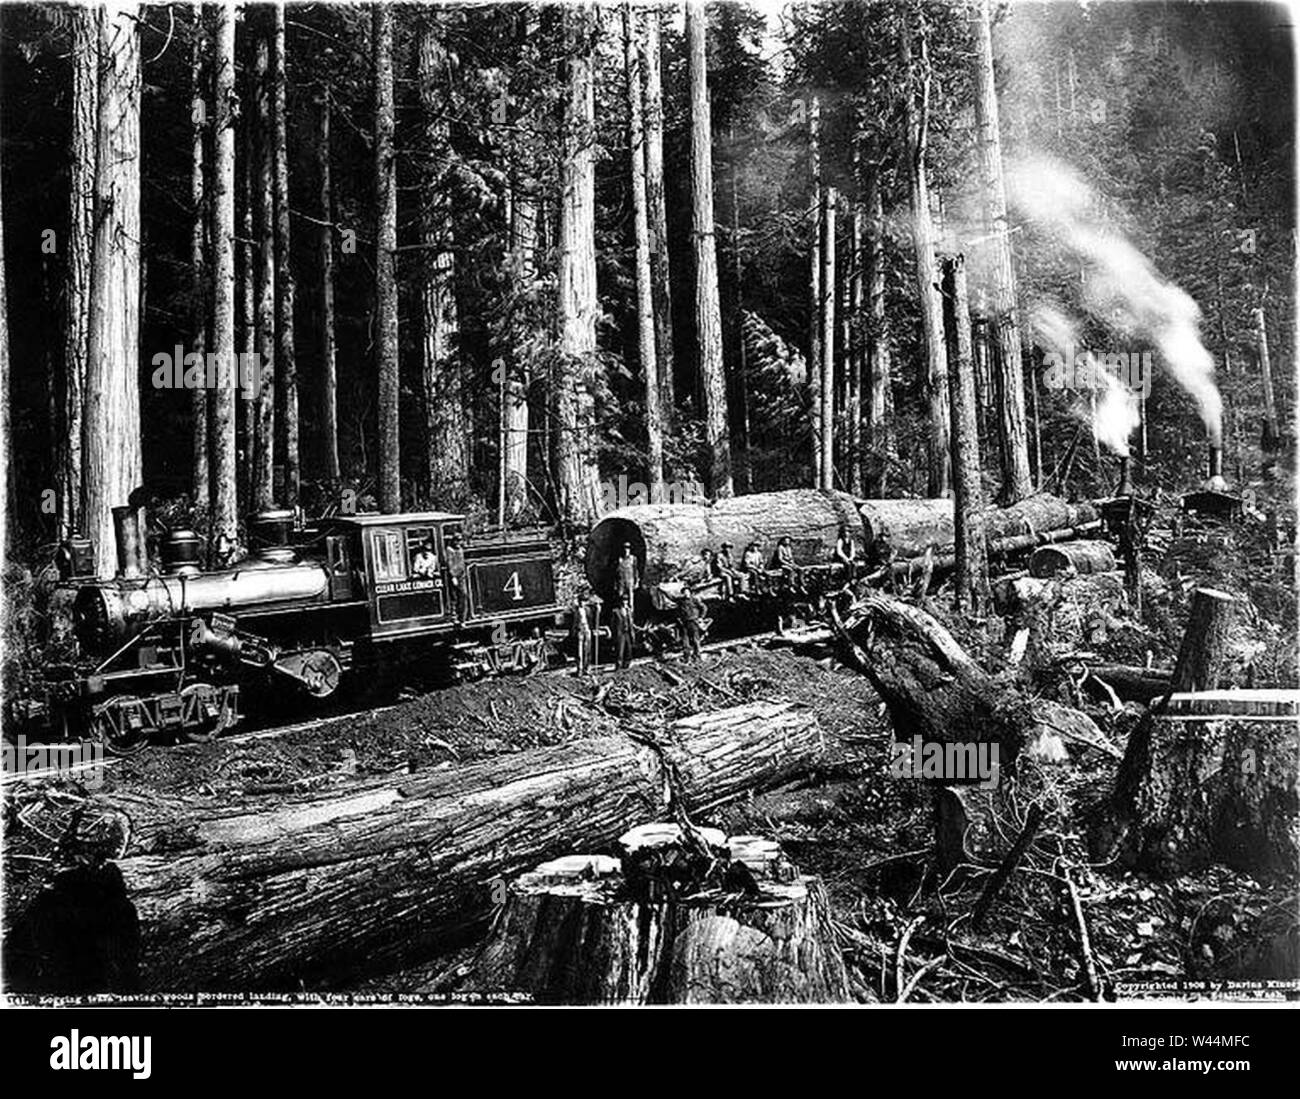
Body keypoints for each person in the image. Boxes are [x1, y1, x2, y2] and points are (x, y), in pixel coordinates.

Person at [676, 585, 705, 663]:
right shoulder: (681, 602)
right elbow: (678, 611)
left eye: (687, 592)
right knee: (685, 641)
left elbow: (703, 608)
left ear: (690, 593)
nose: (686, 594)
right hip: (684, 623)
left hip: (693, 622)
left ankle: (697, 656)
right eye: (684, 592)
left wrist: (701, 617)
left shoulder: (695, 600)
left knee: (696, 640)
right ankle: (687, 657)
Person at [445, 532, 468, 620]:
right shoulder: (449, 550)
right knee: (454, 596)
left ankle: (463, 617)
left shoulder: (460, 549)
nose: (459, 542)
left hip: (462, 575)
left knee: (463, 595)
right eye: (457, 540)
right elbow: (450, 563)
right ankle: (454, 616)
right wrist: (453, 576)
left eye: (460, 540)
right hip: (455, 576)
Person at [611, 597, 634, 670]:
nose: (625, 602)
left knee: (628, 649)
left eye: (626, 601)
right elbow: (612, 624)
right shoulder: (615, 611)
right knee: (620, 650)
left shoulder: (628, 611)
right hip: (620, 633)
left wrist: (632, 632)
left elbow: (631, 622)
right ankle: (618, 666)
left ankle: (626, 665)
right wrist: (614, 634)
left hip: (627, 632)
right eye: (623, 601)